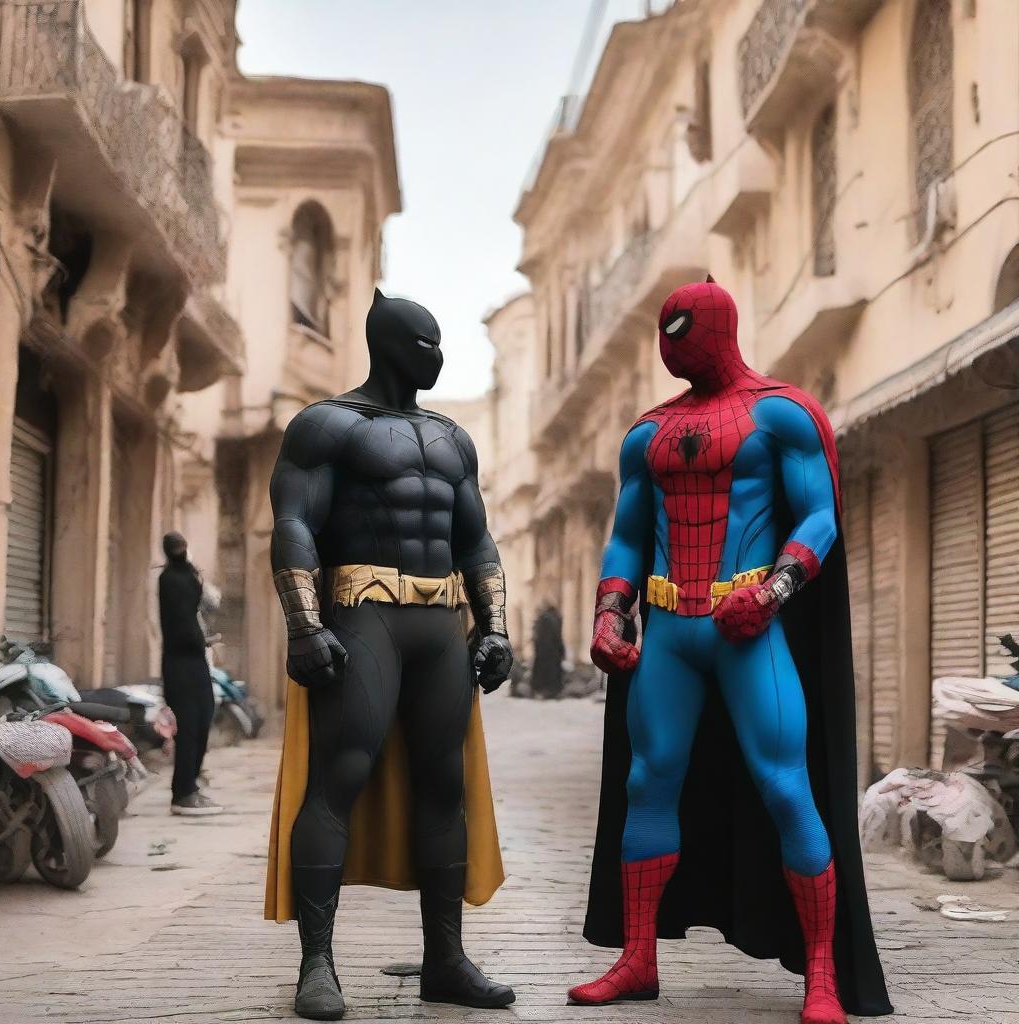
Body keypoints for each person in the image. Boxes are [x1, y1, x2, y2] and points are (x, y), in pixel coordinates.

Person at [569, 278, 892, 1024]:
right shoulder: (645, 434)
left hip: (747, 626)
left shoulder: (781, 412)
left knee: (786, 784)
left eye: (679, 327)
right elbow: (624, 536)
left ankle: (820, 976)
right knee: (648, 783)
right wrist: (611, 614)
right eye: (663, 329)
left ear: (714, 327)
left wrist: (773, 594)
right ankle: (637, 958)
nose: (668, 343)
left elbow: (819, 519)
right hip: (670, 631)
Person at [265, 288, 515, 1021]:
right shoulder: (326, 426)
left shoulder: (451, 438)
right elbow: (293, 525)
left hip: (442, 625)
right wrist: (305, 624)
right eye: (423, 343)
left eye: (441, 343)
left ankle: (446, 961)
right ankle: (317, 966)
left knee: (446, 786)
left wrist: (495, 624)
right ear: (388, 344)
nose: (435, 356)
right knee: (338, 776)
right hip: (362, 614)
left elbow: (476, 539)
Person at [158, 532, 222, 817]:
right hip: (180, 663)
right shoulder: (173, 579)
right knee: (189, 728)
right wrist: (201, 641)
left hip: (193, 661)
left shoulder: (185, 577)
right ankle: (182, 793)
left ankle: (190, 786)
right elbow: (181, 622)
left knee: (204, 717)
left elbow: (202, 607)